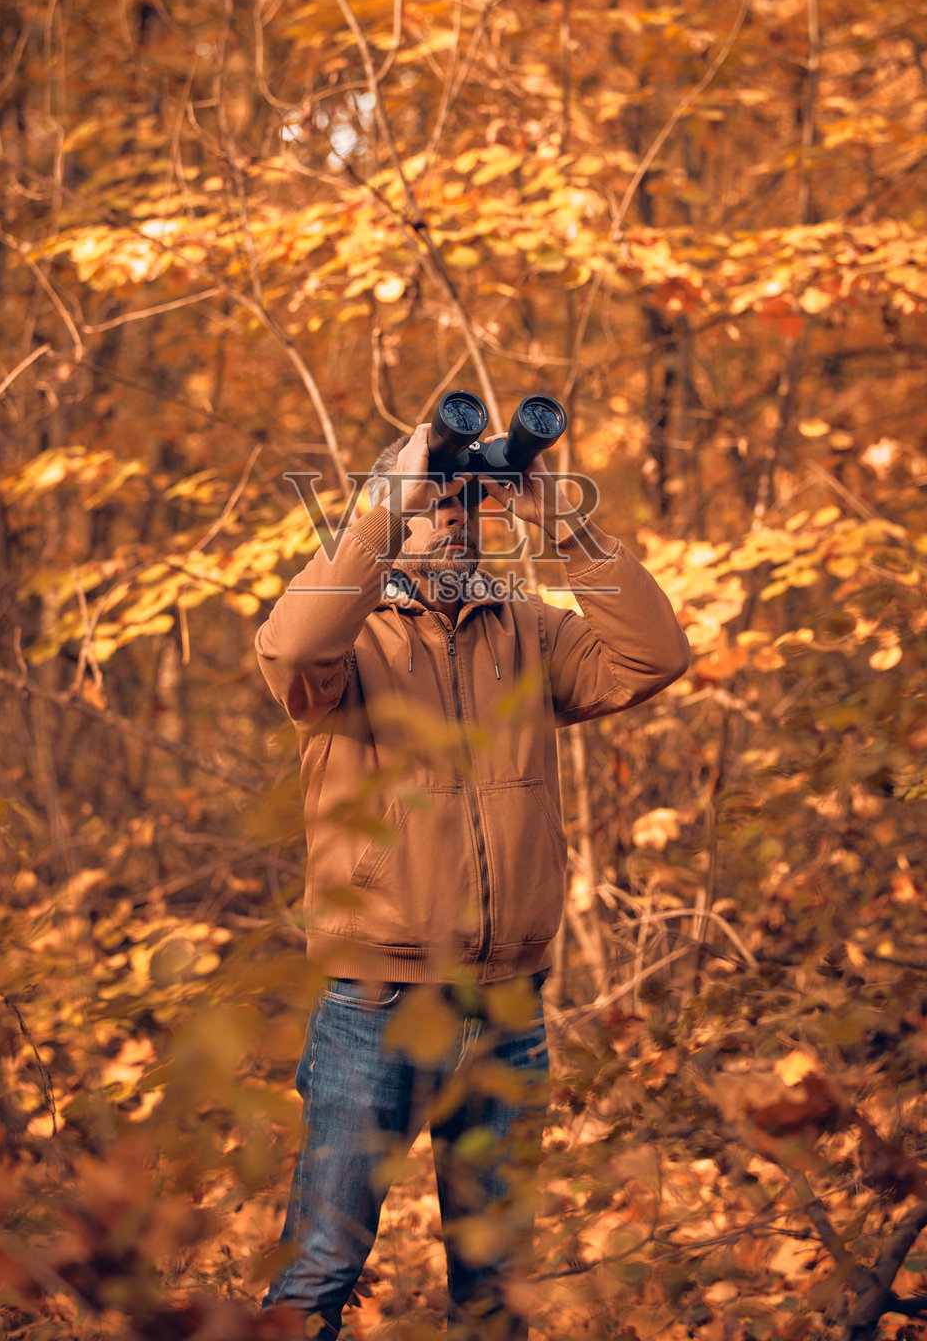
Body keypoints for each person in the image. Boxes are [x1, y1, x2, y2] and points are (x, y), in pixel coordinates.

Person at [254, 420, 689, 1338]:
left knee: (495, 1280)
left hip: (507, 1001)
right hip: (374, 1001)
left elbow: (653, 659)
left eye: (464, 504)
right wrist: (386, 506)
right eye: (433, 504)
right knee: (320, 1269)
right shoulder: (346, 645)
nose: (453, 519)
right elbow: (289, 652)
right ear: (391, 514)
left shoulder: (525, 632)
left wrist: (562, 525)